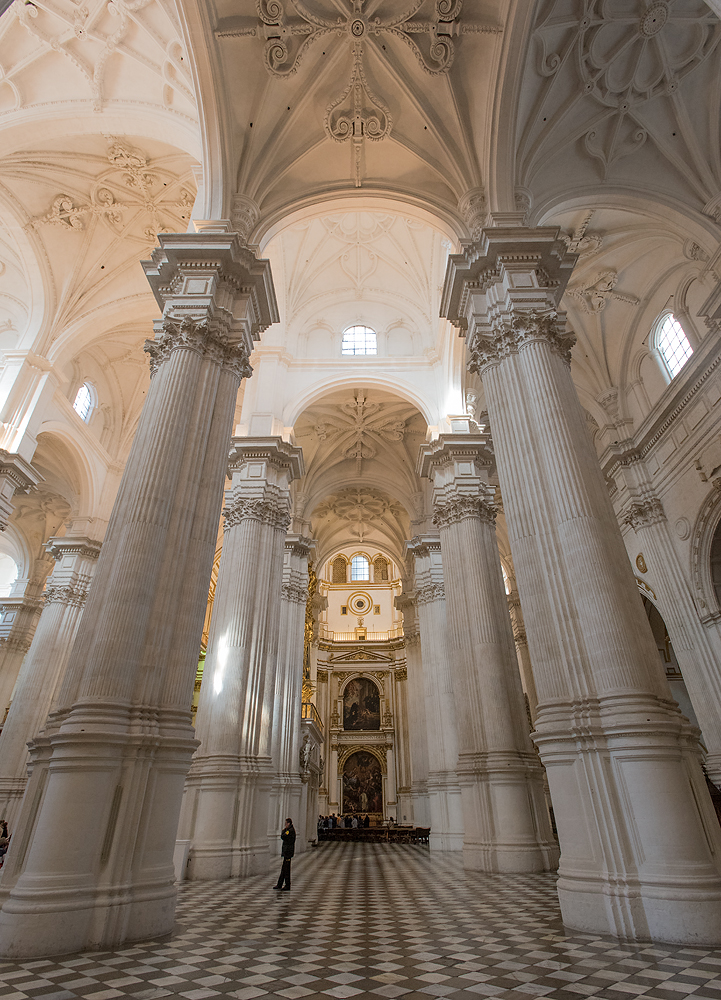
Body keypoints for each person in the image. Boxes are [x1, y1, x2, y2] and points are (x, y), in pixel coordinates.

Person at [273, 818, 296, 892]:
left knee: (286, 869)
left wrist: (284, 831)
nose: (285, 825)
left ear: (288, 823)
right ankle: (280, 884)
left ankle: (287, 885)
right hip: (287, 852)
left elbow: (283, 836)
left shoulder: (290, 831)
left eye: (286, 823)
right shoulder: (289, 830)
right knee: (284, 869)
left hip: (288, 852)